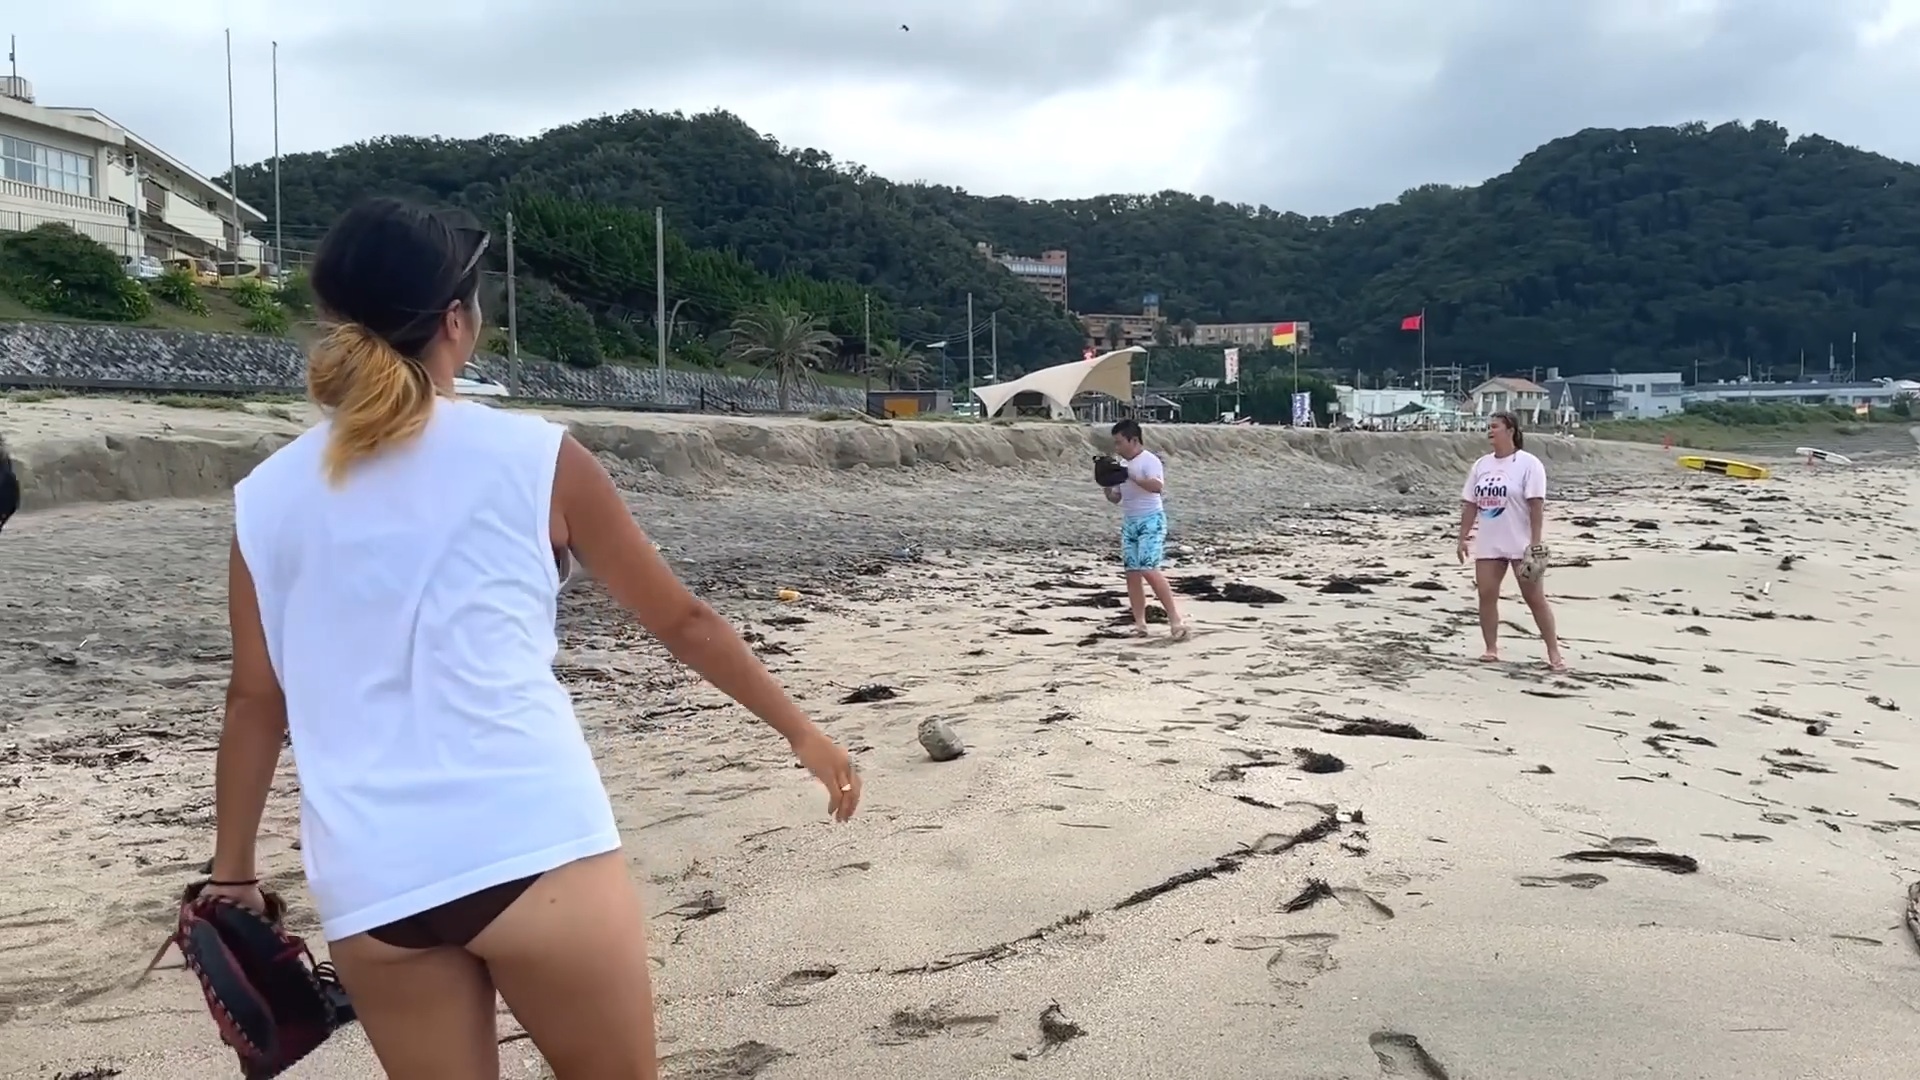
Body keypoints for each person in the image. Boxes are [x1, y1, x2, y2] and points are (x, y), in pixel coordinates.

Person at [206, 197, 861, 1079]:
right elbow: (681, 620)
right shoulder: (537, 458)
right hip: (531, 841)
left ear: (333, 319)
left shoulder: (265, 499)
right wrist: (801, 731)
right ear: (456, 321)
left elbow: (256, 701)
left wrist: (234, 875)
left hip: (373, 879)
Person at [1456, 411, 1565, 670]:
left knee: (1534, 598)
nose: (1490, 431)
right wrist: (1462, 537)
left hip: (1521, 542)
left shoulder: (1529, 464)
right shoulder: (1481, 465)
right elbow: (1471, 504)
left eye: (1495, 426)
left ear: (1511, 431)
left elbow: (1536, 505)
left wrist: (1535, 545)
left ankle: (1554, 653)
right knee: (1486, 594)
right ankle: (1491, 648)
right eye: (1489, 427)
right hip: (1490, 541)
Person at [1104, 418, 1188, 640]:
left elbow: (1156, 486)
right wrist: (1106, 483)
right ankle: (1140, 623)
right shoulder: (1122, 464)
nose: (1117, 447)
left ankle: (1175, 619)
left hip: (1151, 519)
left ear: (1133, 440)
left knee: (1149, 568)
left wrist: (1131, 475)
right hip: (1130, 521)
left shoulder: (1149, 460)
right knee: (1132, 572)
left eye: (1120, 442)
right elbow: (1116, 497)